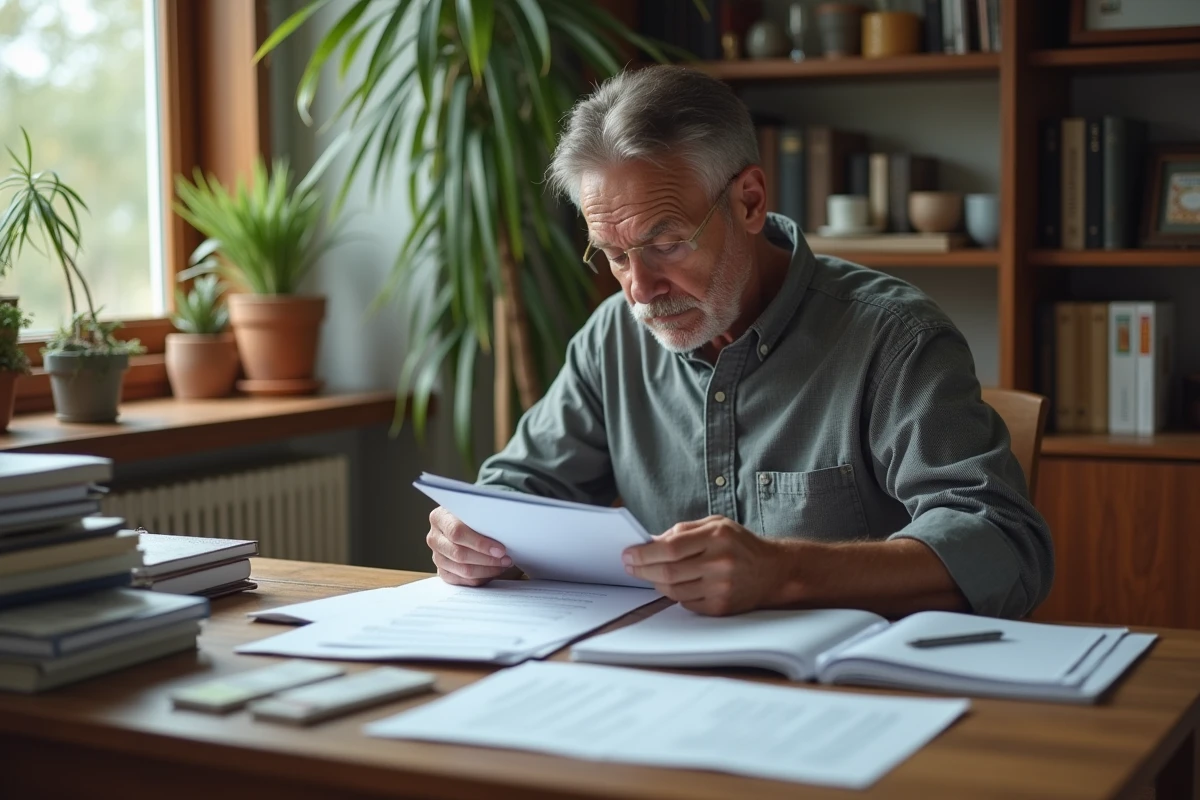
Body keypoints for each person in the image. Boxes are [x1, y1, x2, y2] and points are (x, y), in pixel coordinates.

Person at [425, 65, 1053, 619]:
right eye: (614, 255)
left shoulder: (893, 337)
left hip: (863, 695)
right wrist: (474, 531)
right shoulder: (612, 337)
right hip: (662, 690)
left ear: (749, 201)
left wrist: (784, 571)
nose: (639, 290)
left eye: (666, 244)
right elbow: (521, 487)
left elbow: (1002, 542)